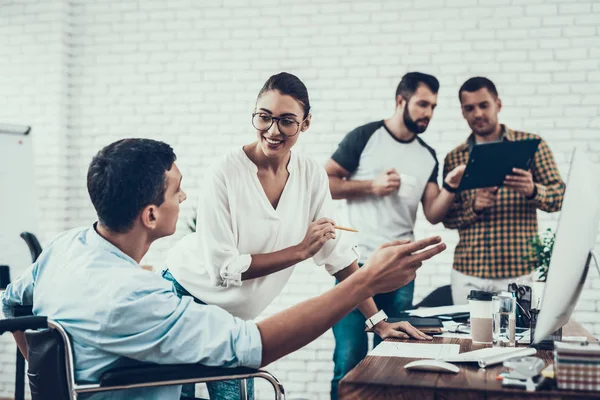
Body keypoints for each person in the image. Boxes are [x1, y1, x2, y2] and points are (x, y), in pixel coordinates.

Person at [1, 138, 447, 400]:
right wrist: (367, 280)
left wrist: (53, 385)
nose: (185, 198)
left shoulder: (68, 247)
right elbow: (253, 347)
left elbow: (11, 304)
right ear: (151, 215)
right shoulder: (134, 298)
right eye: (177, 190)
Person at [165, 72, 433, 399]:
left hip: (234, 316)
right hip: (186, 296)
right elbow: (224, 270)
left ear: (305, 124)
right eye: (264, 117)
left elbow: (338, 256)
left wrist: (379, 321)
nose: (273, 130)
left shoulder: (310, 176)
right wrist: (299, 251)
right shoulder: (225, 172)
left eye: (287, 121)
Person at [324, 71, 465, 399]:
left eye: (433, 107)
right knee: (348, 362)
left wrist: (451, 187)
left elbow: (433, 211)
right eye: (422, 104)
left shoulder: (427, 155)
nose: (427, 113)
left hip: (402, 271)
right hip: (355, 267)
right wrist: (370, 186)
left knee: (392, 361)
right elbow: (326, 182)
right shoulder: (365, 136)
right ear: (401, 100)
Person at [442, 77, 565, 304]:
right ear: (462, 112)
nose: (477, 113)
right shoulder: (455, 158)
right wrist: (473, 207)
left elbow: (560, 197)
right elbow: (447, 219)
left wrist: (532, 190)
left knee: (518, 340)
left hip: (518, 274)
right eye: (470, 108)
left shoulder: (532, 145)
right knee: (468, 340)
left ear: (498, 104)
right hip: (467, 273)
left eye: (484, 105)